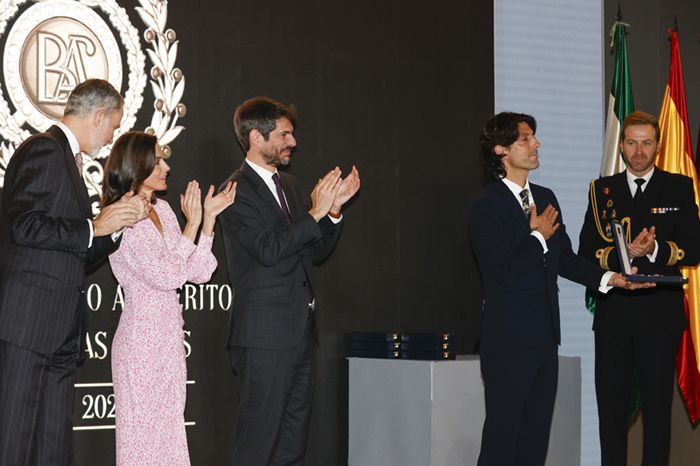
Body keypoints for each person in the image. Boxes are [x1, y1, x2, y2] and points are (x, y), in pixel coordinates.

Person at [468, 112, 650, 466]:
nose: (536, 144)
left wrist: (611, 278)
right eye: (524, 138)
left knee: (535, 442)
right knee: (502, 442)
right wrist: (536, 236)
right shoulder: (485, 207)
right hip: (506, 342)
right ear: (500, 150)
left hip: (544, 339)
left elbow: (565, 258)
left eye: (534, 136)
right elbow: (502, 272)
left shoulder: (545, 196)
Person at [0, 79, 148, 466]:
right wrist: (93, 227)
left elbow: (72, 253)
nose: (111, 136)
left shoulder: (67, 160)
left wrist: (114, 228)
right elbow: (24, 226)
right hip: (29, 326)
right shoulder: (44, 150)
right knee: (13, 443)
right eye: (112, 126)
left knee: (53, 449)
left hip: (59, 330)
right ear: (98, 115)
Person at [219, 96, 360, 465]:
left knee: (292, 446)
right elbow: (268, 249)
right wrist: (315, 212)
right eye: (284, 134)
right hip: (264, 338)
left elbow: (315, 252)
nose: (292, 142)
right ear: (256, 137)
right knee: (258, 444)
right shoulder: (236, 191)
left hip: (299, 333)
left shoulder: (293, 186)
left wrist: (332, 212)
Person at [102, 131, 235, 465]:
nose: (166, 166)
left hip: (169, 341)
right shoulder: (123, 216)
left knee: (171, 437)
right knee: (141, 443)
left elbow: (199, 270)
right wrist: (192, 226)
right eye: (158, 160)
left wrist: (208, 221)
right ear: (138, 164)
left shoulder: (164, 211)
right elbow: (167, 275)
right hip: (141, 343)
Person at [578, 111, 700, 466]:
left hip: (659, 316)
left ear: (658, 147)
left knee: (658, 413)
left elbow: (693, 247)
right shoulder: (602, 190)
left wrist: (655, 250)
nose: (639, 150)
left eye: (647, 143)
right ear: (622, 145)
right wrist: (623, 255)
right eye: (631, 142)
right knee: (611, 411)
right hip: (614, 316)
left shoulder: (678, 186)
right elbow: (587, 251)